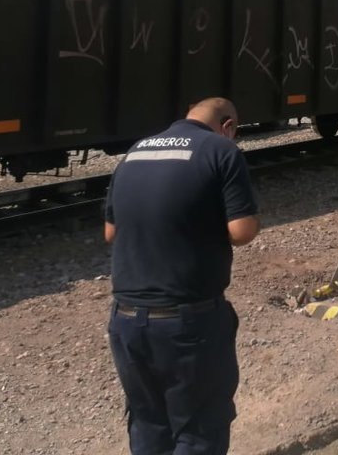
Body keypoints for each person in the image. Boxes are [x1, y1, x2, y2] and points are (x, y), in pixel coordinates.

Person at [104, 97, 260, 455]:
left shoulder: (136, 151)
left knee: (148, 424)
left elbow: (110, 233)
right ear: (228, 127)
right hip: (189, 323)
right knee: (199, 430)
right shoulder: (221, 151)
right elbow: (242, 231)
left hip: (126, 321)